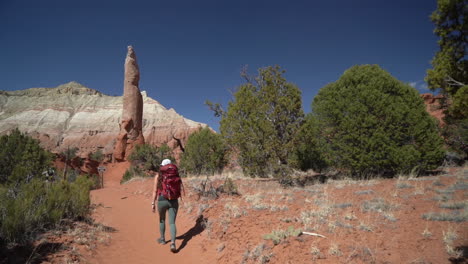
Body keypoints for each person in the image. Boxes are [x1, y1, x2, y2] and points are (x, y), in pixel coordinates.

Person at [151, 158, 182, 253]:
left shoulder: (158, 176)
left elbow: (155, 191)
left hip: (162, 200)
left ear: (162, 166)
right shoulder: (175, 175)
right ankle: (173, 243)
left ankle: (163, 239)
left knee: (162, 220)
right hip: (174, 200)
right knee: (172, 223)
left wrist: (153, 203)